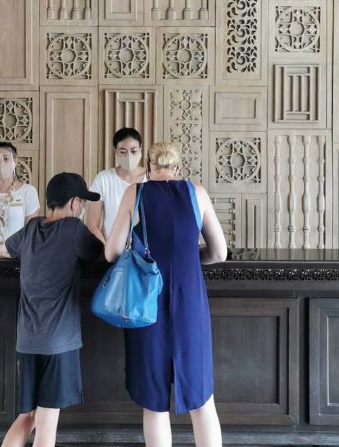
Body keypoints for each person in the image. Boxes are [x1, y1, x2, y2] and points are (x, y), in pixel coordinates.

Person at [105, 142, 227, 447]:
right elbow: (220, 253)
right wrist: (187, 258)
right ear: (178, 167)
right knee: (202, 399)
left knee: (155, 400)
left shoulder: (136, 192)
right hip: (190, 302)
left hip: (148, 304)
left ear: (148, 165)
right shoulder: (196, 192)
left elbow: (112, 252)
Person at [0, 172, 104, 447]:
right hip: (59, 341)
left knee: (27, 416)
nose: (81, 207)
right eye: (81, 201)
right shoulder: (74, 230)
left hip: (27, 340)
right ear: (74, 203)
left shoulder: (32, 228)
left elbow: (5, 250)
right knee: (47, 420)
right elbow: (105, 255)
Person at [85, 127, 147, 242]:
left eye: (133, 151)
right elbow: (92, 225)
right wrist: (107, 251)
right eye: (123, 152)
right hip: (112, 252)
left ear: (141, 149)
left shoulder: (151, 178)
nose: (129, 156)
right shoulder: (104, 179)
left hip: (146, 252)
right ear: (115, 151)